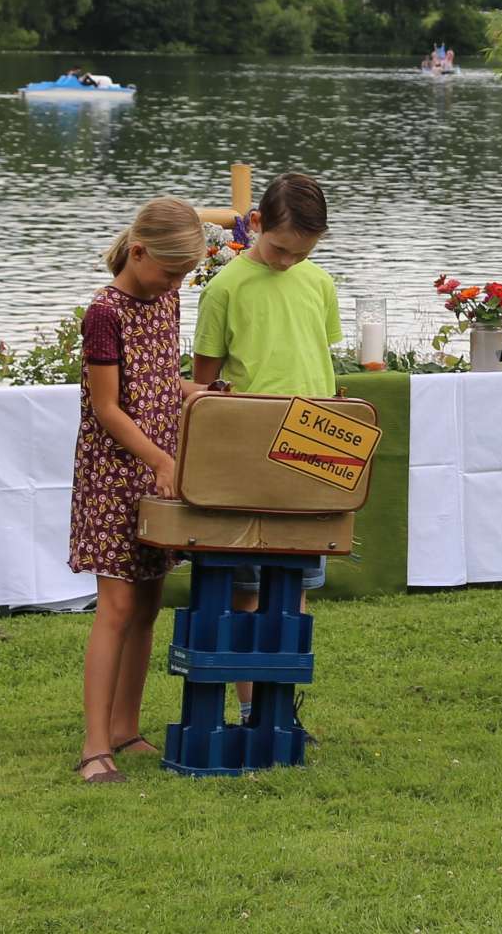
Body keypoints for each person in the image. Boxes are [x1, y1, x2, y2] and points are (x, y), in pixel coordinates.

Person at [191, 172, 342, 730]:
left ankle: (283, 708)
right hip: (250, 458)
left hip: (313, 455)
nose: (286, 262)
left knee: (296, 589)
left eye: (301, 254)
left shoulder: (318, 283)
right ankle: (252, 707)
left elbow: (316, 359)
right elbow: (203, 386)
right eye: (279, 249)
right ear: (255, 224)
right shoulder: (225, 289)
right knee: (250, 591)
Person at [69, 196, 209, 783]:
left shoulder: (165, 296)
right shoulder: (105, 313)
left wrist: (193, 393)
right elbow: (107, 407)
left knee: (149, 602)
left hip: (157, 469)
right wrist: (158, 458)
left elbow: (155, 378)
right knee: (117, 605)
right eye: (171, 271)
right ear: (138, 251)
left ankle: (126, 731)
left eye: (184, 276)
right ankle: (93, 746)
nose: (175, 283)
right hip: (113, 473)